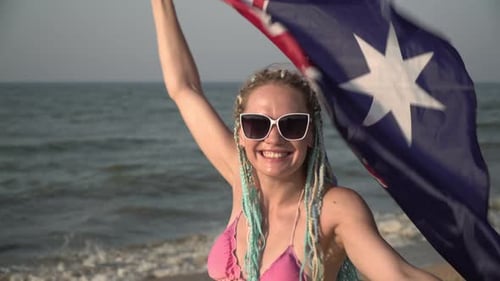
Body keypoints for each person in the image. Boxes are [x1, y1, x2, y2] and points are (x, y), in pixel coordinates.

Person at [151, 0, 442, 280]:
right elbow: (183, 88)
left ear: (311, 135)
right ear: (240, 133)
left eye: (291, 124)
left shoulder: (332, 209)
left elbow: (398, 274)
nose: (273, 138)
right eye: (257, 124)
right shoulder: (244, 183)